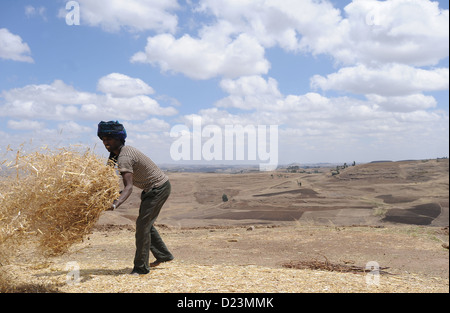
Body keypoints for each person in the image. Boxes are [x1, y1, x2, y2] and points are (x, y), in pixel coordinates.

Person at [97, 121, 174, 275]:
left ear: (119, 139)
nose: (106, 142)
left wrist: (114, 204)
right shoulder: (115, 154)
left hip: (158, 188)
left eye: (109, 139)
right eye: (103, 139)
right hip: (151, 189)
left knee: (142, 227)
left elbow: (128, 187)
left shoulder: (124, 157)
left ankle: (141, 268)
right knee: (146, 224)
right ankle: (163, 255)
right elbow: (106, 175)